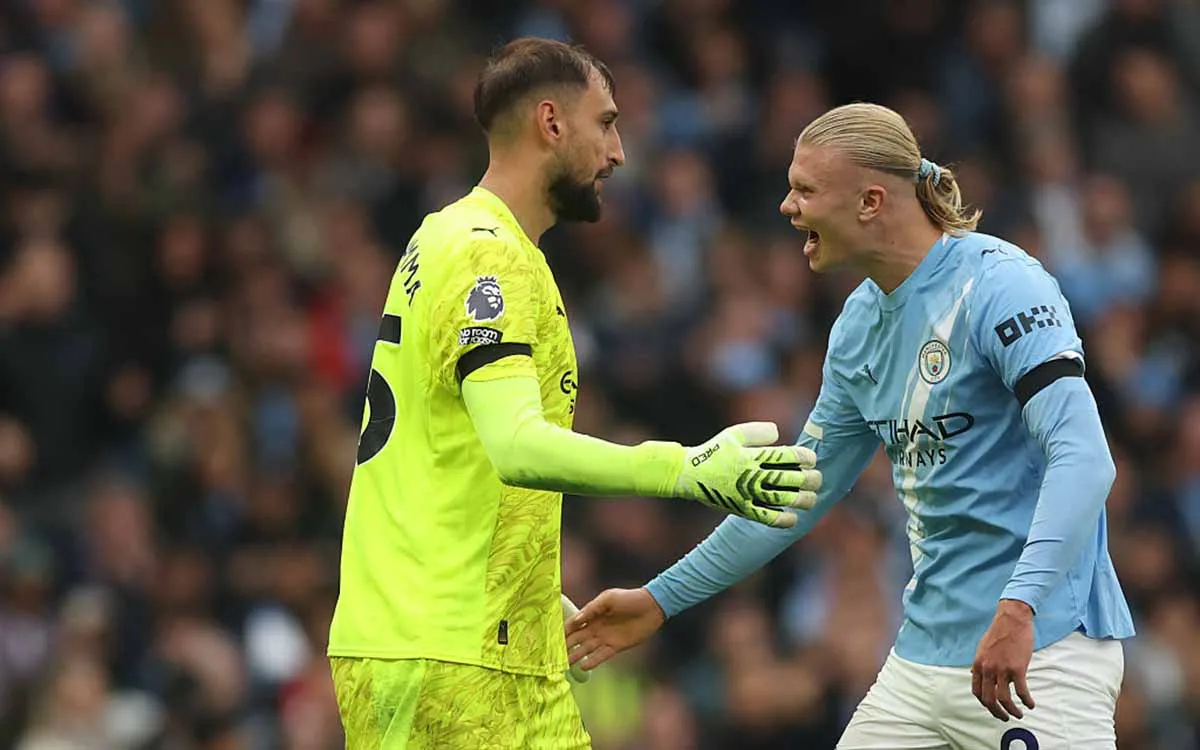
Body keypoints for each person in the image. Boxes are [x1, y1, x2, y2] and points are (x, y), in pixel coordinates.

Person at [565, 103, 1135, 749]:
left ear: (869, 201)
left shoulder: (1004, 286)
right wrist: (660, 599)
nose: (787, 206)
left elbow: (1086, 459)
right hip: (925, 662)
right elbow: (790, 499)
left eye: (805, 189)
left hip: (1043, 649)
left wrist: (1019, 607)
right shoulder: (858, 327)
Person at [325, 38, 821, 749]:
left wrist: (529, 595)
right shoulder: (485, 256)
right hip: (449, 656)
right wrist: (687, 470)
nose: (618, 152)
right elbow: (515, 445)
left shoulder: (451, 238)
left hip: (484, 644)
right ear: (551, 124)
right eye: (606, 123)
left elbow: (440, 450)